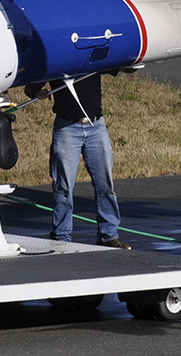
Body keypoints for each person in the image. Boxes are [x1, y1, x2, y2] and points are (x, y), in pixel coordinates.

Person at [25, 72, 130, 249]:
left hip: (96, 126)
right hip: (67, 128)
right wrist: (37, 92)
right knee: (63, 187)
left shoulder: (91, 55)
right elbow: (31, 88)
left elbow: (124, 65)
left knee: (105, 186)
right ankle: (61, 237)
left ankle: (109, 236)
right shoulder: (59, 60)